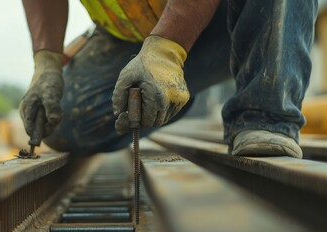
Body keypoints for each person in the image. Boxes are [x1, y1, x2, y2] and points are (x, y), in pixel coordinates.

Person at [19, 0, 318, 158]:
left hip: (229, 18)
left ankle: (265, 112)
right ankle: (174, 89)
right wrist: (47, 62)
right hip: (137, 36)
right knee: (66, 118)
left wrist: (166, 50)